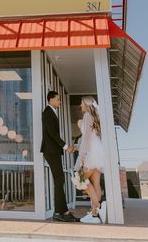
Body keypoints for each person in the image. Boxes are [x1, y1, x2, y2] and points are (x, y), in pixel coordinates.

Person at [40, 91, 78, 223]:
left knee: (59, 180)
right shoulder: (47, 112)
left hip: (53, 151)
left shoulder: (52, 112)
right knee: (59, 179)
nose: (60, 102)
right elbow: (52, 133)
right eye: (58, 99)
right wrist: (66, 146)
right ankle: (59, 212)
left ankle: (63, 211)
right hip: (50, 151)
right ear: (50, 100)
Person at [75, 96, 105, 224]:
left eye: (81, 103)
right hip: (98, 151)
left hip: (90, 152)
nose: (80, 105)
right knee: (95, 183)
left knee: (80, 179)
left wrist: (82, 155)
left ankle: (98, 206)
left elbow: (86, 137)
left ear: (86, 104)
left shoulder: (87, 115)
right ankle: (94, 215)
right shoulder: (96, 117)